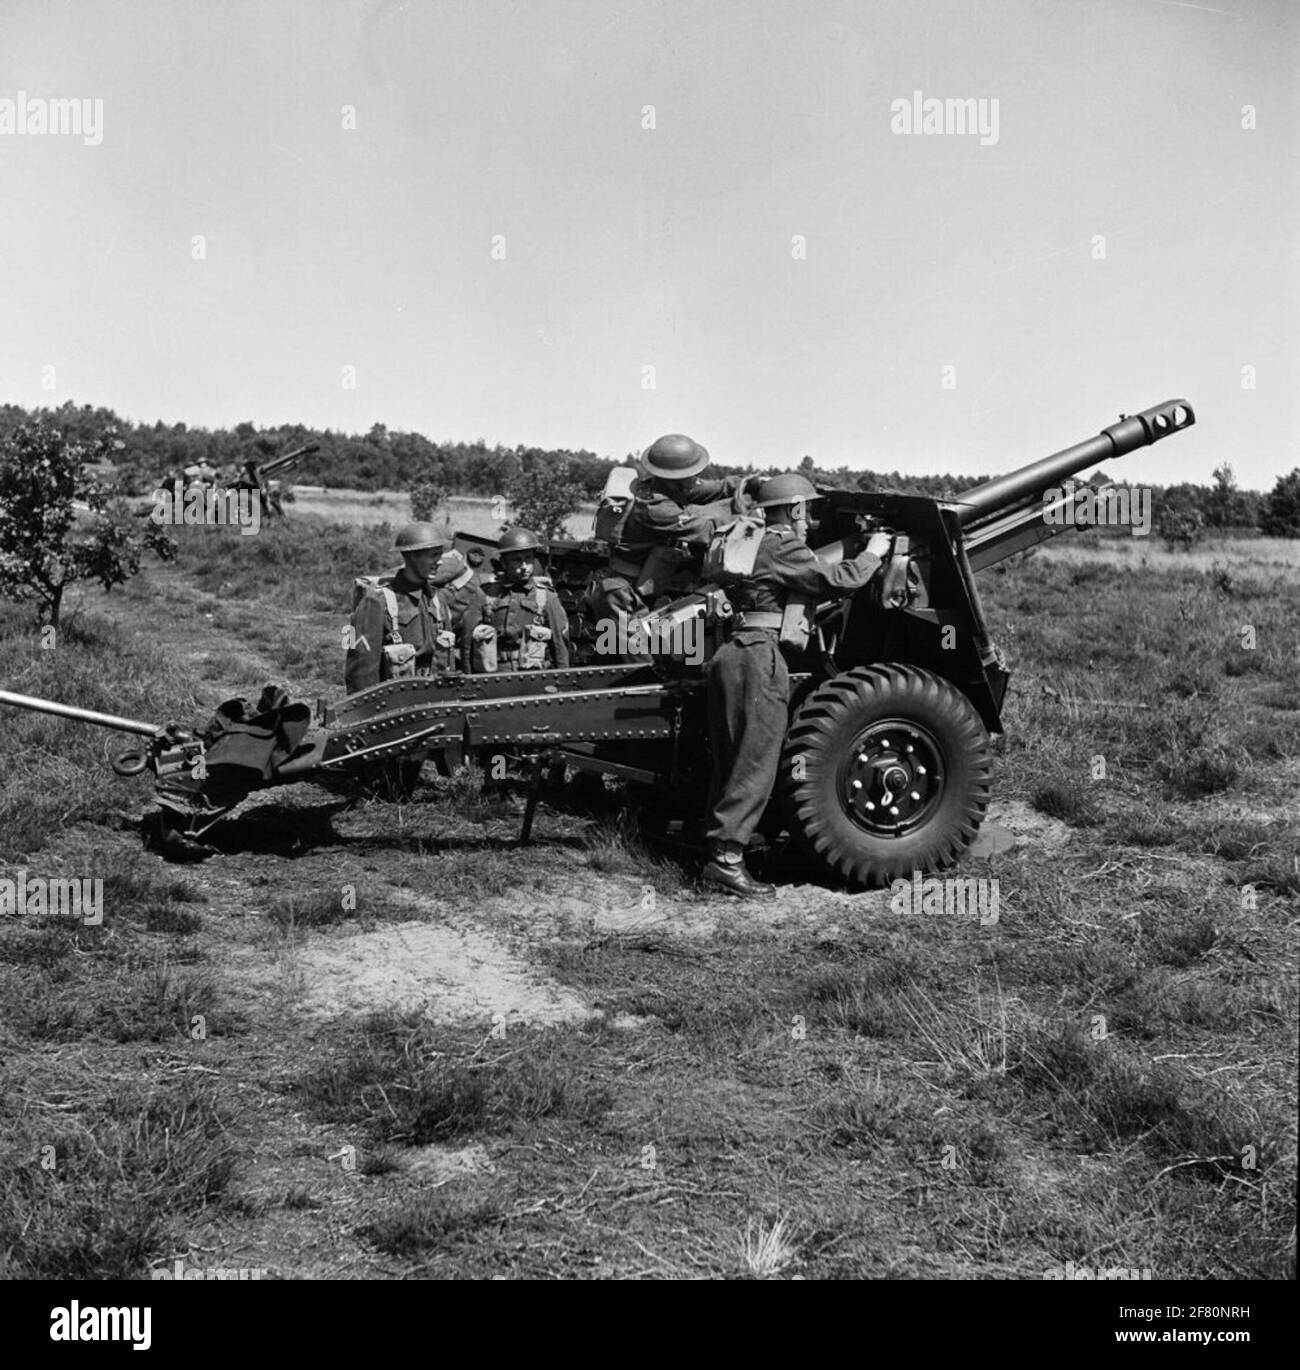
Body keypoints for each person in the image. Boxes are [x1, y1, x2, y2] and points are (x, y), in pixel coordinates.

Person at [702, 473, 893, 899]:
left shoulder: (749, 540)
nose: (810, 520)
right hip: (759, 657)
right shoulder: (782, 543)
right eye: (808, 510)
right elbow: (832, 582)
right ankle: (726, 862)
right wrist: (874, 555)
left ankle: (720, 846)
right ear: (796, 509)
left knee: (732, 757)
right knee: (757, 759)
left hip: (731, 653)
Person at [344, 522, 456, 694]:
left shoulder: (438, 599)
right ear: (411, 557)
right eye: (433, 555)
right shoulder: (376, 603)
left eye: (440, 555)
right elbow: (360, 674)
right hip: (396, 704)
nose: (440, 562)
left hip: (436, 699)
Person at [467, 527, 570, 671]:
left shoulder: (546, 597)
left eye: (528, 559)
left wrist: (563, 682)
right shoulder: (485, 594)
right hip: (493, 673)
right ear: (504, 562)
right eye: (517, 560)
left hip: (533, 674)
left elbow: (560, 645)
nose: (524, 566)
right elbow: (467, 642)